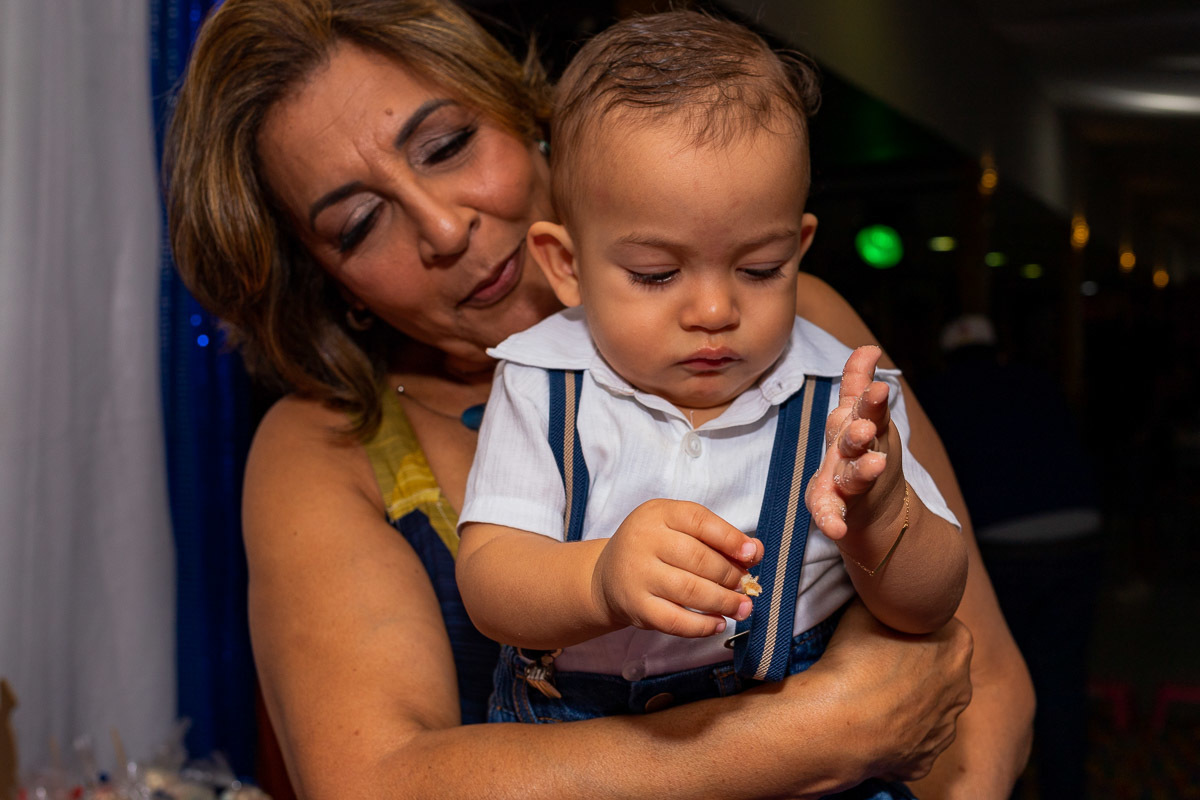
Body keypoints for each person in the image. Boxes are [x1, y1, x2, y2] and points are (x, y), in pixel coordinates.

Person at [163, 0, 1033, 797]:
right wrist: (811, 733)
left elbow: (985, 683)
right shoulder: (326, 449)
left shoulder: (790, 336)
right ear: (330, 279)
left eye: (448, 144)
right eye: (358, 223)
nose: (442, 225)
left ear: (517, 111)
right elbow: (379, 784)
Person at [455, 15, 968, 774]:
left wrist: (882, 509)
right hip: (574, 747)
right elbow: (492, 576)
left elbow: (931, 604)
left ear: (798, 248)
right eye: (657, 275)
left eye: (758, 268)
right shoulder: (541, 379)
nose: (714, 311)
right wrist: (598, 580)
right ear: (564, 265)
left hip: (800, 746)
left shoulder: (843, 396)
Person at [920, 314, 1104, 800]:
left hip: (1000, 545)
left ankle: (1005, 785)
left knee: (994, 677)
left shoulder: (935, 395)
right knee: (1062, 677)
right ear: (998, 350)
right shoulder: (1037, 382)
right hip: (1077, 532)